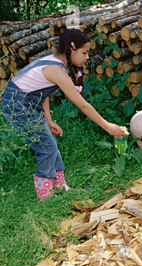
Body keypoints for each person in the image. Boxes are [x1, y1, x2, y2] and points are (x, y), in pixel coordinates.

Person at [1, 28, 125, 201]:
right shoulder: (56, 70)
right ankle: (45, 195)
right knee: (45, 147)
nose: (87, 57)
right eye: (84, 52)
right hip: (16, 104)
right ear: (71, 49)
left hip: (26, 101)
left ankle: (60, 185)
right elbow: (82, 105)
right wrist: (107, 126)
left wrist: (48, 120)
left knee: (50, 144)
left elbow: (42, 93)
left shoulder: (56, 64)